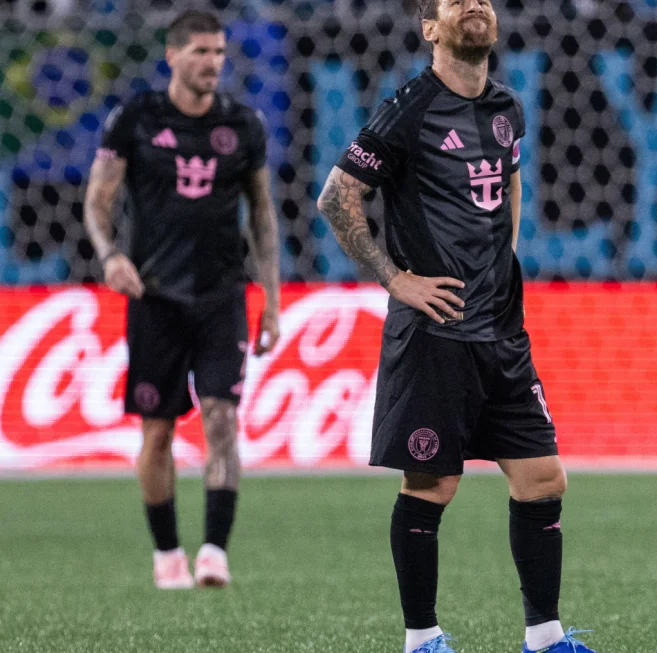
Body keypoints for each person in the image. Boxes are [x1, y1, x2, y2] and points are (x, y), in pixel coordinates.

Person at [316, 1, 596, 651]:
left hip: (500, 329)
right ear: (430, 27)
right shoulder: (409, 110)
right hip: (435, 332)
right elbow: (337, 196)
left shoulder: (507, 108)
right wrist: (395, 279)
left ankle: (545, 635)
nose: (474, 5)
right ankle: (421, 639)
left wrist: (505, 260)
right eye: (455, 0)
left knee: (543, 478)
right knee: (433, 484)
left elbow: (512, 178)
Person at [83, 9, 281, 590]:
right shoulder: (136, 119)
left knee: (223, 418)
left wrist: (270, 296)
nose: (212, 63)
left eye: (219, 52)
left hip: (222, 296)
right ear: (171, 55)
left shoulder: (243, 125)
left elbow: (262, 215)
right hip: (155, 297)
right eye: (200, 52)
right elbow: (98, 199)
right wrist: (110, 255)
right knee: (159, 432)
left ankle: (214, 551)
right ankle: (168, 553)